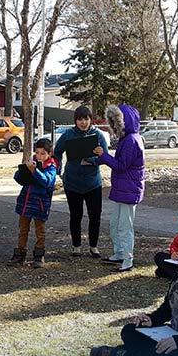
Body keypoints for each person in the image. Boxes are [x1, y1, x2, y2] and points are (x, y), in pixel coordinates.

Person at [93, 104, 145, 272]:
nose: (115, 126)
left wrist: (103, 156)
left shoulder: (131, 140)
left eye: (117, 122)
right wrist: (102, 158)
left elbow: (122, 165)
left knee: (124, 226)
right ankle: (120, 253)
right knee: (116, 224)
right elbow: (120, 163)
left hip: (128, 189)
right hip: (124, 188)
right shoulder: (129, 138)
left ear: (124, 122)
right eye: (113, 122)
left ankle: (128, 260)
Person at [54, 106, 108, 258]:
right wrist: (57, 170)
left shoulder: (98, 135)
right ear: (75, 120)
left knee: (95, 215)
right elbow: (57, 153)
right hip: (72, 182)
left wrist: (92, 160)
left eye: (86, 119)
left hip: (93, 183)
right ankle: (76, 246)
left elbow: (105, 157)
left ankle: (93, 246)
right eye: (80, 119)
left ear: (91, 120)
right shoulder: (68, 134)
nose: (83, 122)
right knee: (75, 215)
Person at [8, 138, 59, 268]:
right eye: (37, 153)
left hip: (40, 204)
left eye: (43, 153)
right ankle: (20, 252)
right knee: (23, 229)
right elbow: (17, 177)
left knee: (40, 231)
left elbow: (48, 182)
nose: (40, 156)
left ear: (49, 154)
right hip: (25, 202)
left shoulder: (51, 167)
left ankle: (39, 254)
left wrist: (35, 171)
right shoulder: (33, 162)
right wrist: (24, 169)